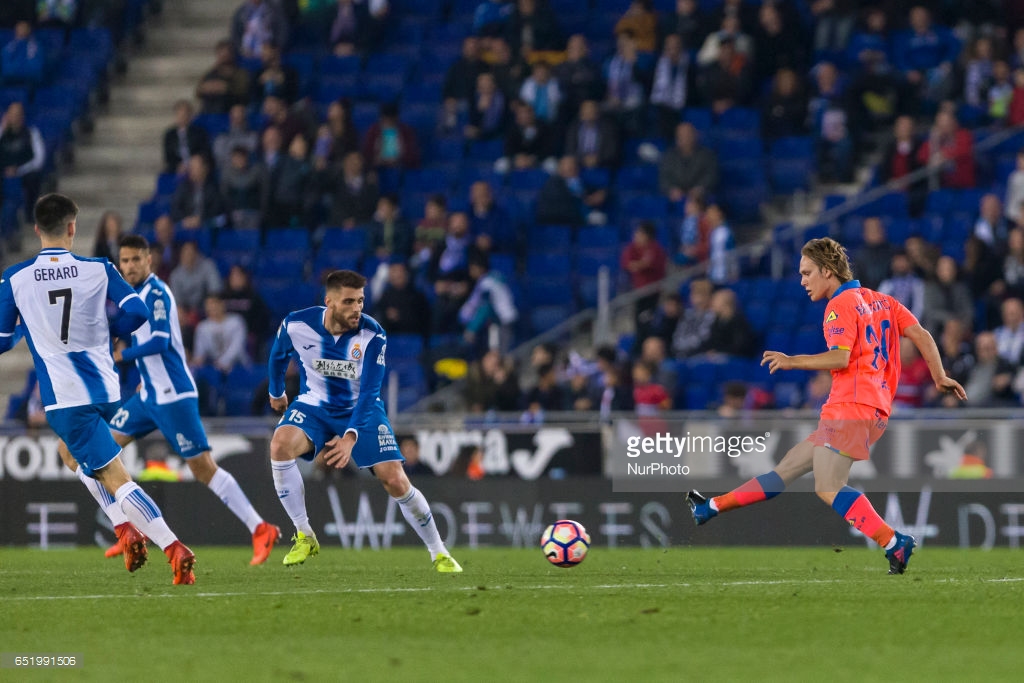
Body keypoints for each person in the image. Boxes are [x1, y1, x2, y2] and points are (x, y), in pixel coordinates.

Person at [686, 237, 967, 575]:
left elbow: (840, 356)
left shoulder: (839, 305)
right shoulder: (883, 301)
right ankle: (712, 507)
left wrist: (792, 361)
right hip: (872, 408)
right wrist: (939, 376)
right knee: (786, 469)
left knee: (827, 486)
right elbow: (921, 334)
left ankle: (894, 542)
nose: (803, 281)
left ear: (827, 271)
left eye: (807, 273)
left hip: (851, 405)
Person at [0, 194, 196, 584]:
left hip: (66, 397)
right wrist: (108, 332)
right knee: (71, 456)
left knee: (113, 476)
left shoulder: (15, 278)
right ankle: (126, 531)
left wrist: (27, 328)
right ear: (73, 227)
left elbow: (2, 340)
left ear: (37, 229)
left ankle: (172, 546)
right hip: (107, 387)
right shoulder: (99, 268)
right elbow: (137, 313)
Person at [56, 235, 280, 566]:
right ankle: (127, 527)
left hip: (174, 396)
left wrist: (123, 354)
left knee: (203, 468)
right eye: (125, 260)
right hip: (147, 397)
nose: (129, 266)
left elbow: (160, 340)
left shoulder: (156, 293)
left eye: (135, 260)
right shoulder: (132, 297)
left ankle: (260, 528)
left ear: (150, 261)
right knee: (87, 452)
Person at [267, 270, 462, 572]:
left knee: (394, 479)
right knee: (279, 446)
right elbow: (278, 355)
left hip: (360, 409)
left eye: (360, 301)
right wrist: (276, 391)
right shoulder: (296, 324)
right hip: (314, 404)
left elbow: (370, 392)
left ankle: (439, 552)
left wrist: (349, 438)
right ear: (329, 302)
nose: (357, 308)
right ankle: (304, 533)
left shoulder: (373, 334)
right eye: (348, 302)